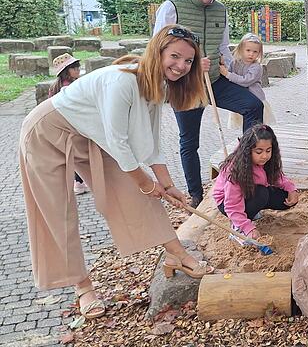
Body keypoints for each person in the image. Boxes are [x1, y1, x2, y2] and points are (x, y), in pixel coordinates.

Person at [19, 25, 214, 320]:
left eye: (188, 61)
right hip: (46, 132)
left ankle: (176, 253)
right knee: (59, 213)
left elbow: (150, 142)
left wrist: (166, 184)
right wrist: (147, 183)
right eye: (175, 56)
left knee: (133, 189)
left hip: (88, 134)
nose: (181, 66)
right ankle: (82, 286)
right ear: (157, 51)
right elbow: (120, 143)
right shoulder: (123, 81)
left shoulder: (157, 85)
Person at [153, 0, 264, 207]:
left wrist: (241, 74)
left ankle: (246, 169)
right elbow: (157, 46)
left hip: (215, 80)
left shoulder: (221, 10)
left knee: (253, 105)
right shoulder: (172, 7)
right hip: (185, 86)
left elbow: (224, 47)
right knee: (189, 141)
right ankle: (195, 194)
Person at [213, 124, 298, 241]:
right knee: (261, 194)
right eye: (259, 152)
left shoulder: (267, 160)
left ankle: (251, 211)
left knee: (284, 198)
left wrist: (291, 188)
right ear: (248, 151)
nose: (264, 156)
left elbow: (276, 176)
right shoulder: (235, 170)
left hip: (251, 192)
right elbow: (232, 205)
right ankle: (237, 227)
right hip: (226, 202)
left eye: (268, 151)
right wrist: (247, 227)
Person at [47, 53, 89, 195]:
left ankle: (78, 181)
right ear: (66, 71)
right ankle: (79, 182)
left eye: (78, 66)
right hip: (75, 125)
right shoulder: (70, 87)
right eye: (74, 67)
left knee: (72, 154)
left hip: (62, 126)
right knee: (79, 154)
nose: (78, 69)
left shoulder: (55, 87)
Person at [219, 33, 276, 125]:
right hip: (240, 99)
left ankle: (253, 138)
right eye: (248, 50)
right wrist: (224, 69)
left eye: (255, 52)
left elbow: (245, 81)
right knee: (245, 123)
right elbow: (228, 77)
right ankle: (245, 138)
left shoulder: (256, 67)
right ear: (241, 49)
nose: (251, 54)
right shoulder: (235, 63)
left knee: (254, 124)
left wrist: (227, 74)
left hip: (255, 99)